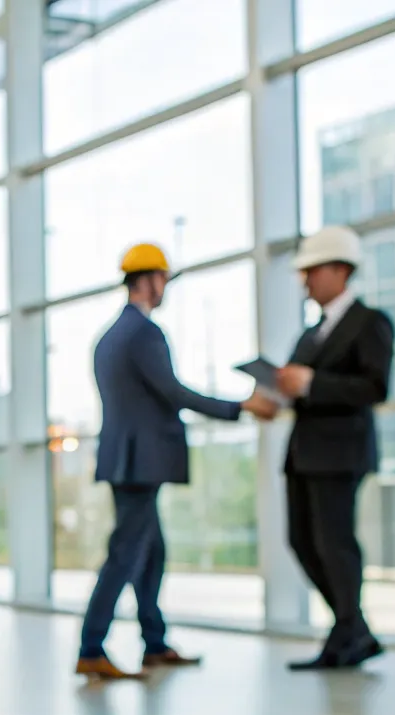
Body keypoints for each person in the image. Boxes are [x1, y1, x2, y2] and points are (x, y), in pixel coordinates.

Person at [76, 244, 278, 681]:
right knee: (126, 553)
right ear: (147, 279)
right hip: (142, 461)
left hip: (123, 458)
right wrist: (240, 406)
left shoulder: (109, 336)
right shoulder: (145, 333)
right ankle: (91, 647)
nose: (165, 287)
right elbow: (175, 392)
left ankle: (154, 643)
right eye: (163, 278)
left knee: (150, 552)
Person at [272, 226, 393, 670]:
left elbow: (375, 386)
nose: (305, 281)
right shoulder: (310, 335)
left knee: (335, 544)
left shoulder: (370, 323)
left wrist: (313, 383)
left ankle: (347, 635)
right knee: (301, 540)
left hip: (341, 453)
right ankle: (353, 631)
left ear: (340, 269)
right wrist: (281, 392)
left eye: (312, 271)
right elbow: (300, 388)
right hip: (303, 453)